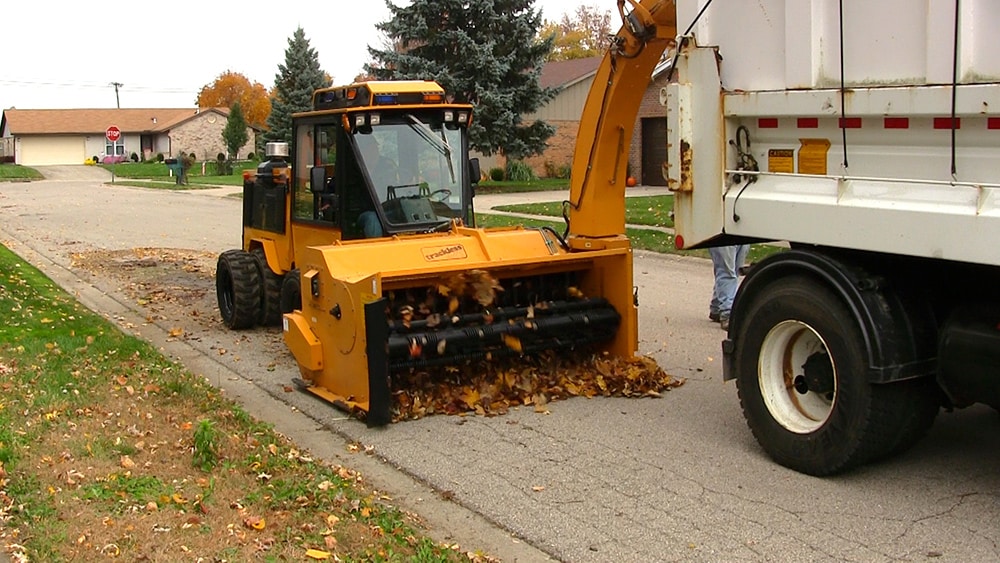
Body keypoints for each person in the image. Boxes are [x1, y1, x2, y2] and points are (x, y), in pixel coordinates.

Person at [709, 244, 749, 330]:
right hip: (723, 234)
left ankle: (716, 307)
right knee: (727, 272)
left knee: (735, 271)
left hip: (742, 234)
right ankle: (727, 313)